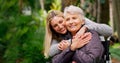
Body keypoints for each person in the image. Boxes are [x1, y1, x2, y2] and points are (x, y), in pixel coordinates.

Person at [44, 6, 112, 58]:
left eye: (61, 22)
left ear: (64, 18)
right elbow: (50, 52)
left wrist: (85, 27)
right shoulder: (56, 35)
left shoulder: (78, 21)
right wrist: (71, 43)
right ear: (52, 29)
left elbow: (109, 30)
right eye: (55, 26)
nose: (60, 26)